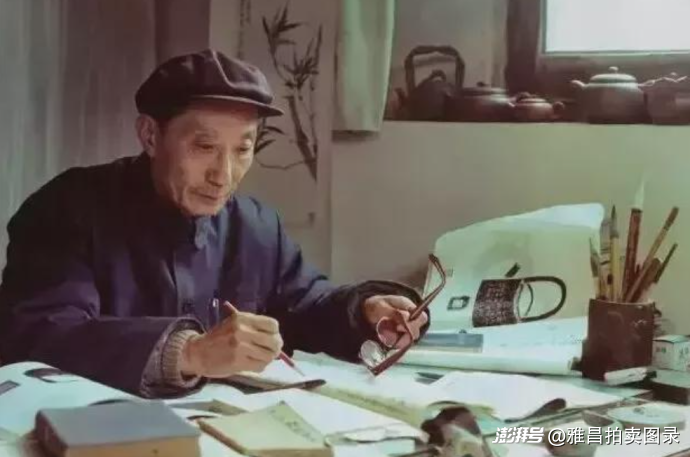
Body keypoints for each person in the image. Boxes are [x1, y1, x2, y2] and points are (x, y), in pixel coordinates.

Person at [0, 49, 428, 397]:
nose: (223, 176)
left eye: (242, 150)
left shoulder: (255, 224)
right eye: (204, 147)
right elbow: (41, 333)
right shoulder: (68, 208)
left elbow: (306, 304)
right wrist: (189, 353)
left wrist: (366, 312)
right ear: (150, 136)